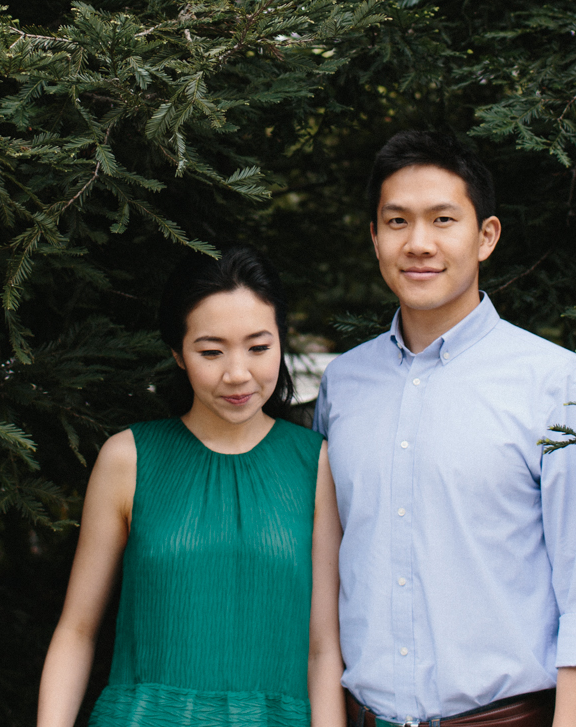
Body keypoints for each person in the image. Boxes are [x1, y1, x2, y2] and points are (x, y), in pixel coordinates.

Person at [313, 131, 576, 727]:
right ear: (374, 237)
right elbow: (331, 581)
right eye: (396, 222)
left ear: (485, 236)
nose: (418, 244)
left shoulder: (559, 384)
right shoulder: (344, 386)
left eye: (442, 220)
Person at [37, 246, 346, 727]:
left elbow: (323, 650)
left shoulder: (316, 463)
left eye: (259, 347)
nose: (237, 373)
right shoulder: (128, 458)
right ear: (178, 354)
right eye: (211, 351)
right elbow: (77, 629)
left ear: (281, 344)